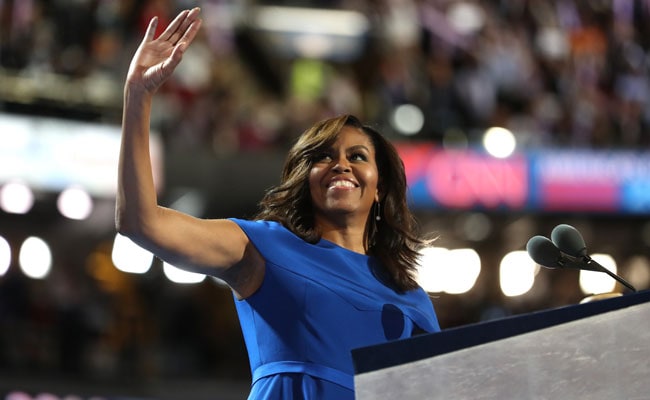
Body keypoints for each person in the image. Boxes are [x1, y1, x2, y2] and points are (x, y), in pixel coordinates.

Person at [116, 7, 441, 399]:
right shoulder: (262, 248)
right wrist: (138, 95)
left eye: (357, 156)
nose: (341, 165)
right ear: (306, 179)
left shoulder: (411, 298)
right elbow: (140, 222)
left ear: (381, 186)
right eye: (323, 156)